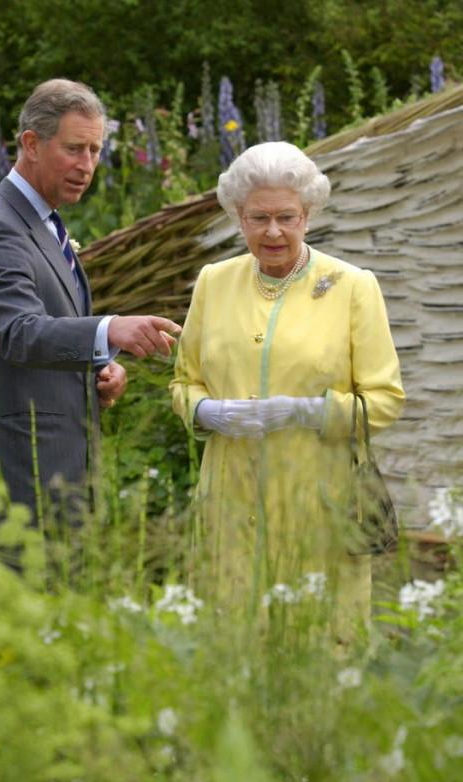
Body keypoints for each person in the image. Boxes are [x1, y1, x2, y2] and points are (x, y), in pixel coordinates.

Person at [170, 141, 405, 642]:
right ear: (238, 216)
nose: (273, 231)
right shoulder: (214, 282)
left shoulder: (352, 286)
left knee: (317, 650)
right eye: (258, 218)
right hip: (230, 501)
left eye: (286, 217)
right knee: (233, 647)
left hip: (319, 505)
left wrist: (305, 411)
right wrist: (208, 412)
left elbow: (385, 400)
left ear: (308, 214)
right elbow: (183, 382)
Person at [0, 78, 181, 521]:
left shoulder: (45, 224)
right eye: (75, 149)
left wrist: (98, 368)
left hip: (59, 472)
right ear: (32, 144)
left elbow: (50, 332)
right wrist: (109, 328)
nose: (87, 164)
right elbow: (17, 333)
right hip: (16, 479)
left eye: (95, 151)